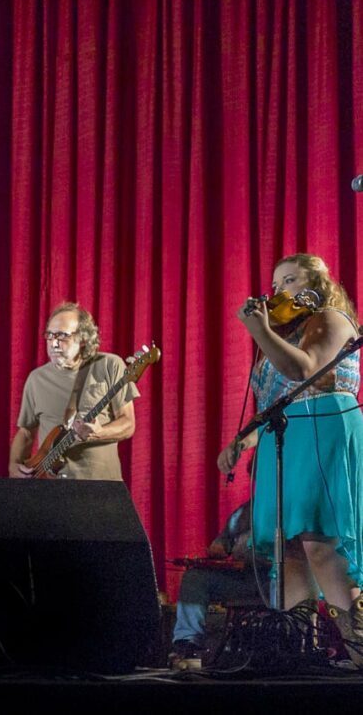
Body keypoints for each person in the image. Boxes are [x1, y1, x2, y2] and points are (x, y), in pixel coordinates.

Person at [217, 253, 363, 623]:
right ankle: (300, 651)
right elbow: (278, 400)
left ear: (317, 285)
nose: (280, 290)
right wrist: (243, 441)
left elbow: (305, 369)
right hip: (284, 436)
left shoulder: (328, 318)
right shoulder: (285, 334)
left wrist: (259, 330)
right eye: (276, 284)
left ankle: (357, 647)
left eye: (291, 280)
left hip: (322, 429)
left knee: (320, 543)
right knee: (291, 546)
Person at [9, 302, 138, 480]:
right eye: (50, 335)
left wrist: (98, 433)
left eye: (62, 336)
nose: (54, 343)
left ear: (83, 339)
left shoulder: (109, 365)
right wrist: (13, 465)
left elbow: (128, 423)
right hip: (49, 488)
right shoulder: (36, 379)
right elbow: (25, 433)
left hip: (100, 486)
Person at [169, 500, 270, 667]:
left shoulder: (287, 506)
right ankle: (188, 643)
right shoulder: (243, 512)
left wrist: (255, 559)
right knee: (194, 577)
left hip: (274, 579)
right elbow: (223, 542)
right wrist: (218, 548)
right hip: (244, 579)